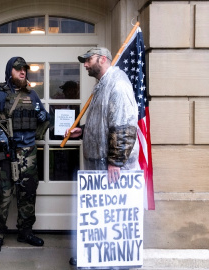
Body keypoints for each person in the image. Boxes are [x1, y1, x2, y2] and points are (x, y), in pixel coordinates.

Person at [66, 48, 140, 266]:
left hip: (112, 168)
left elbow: (125, 125)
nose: (85, 65)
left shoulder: (117, 84)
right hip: (99, 165)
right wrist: (85, 130)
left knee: (114, 217)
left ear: (103, 59)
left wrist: (115, 161)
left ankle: (113, 262)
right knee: (100, 216)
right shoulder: (103, 85)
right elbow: (105, 122)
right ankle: (94, 256)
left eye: (88, 60)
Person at [0, 56, 50, 254]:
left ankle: (25, 231)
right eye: (18, 69)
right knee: (2, 195)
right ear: (10, 70)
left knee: (28, 194)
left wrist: (44, 116)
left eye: (25, 69)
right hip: (6, 153)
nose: (23, 72)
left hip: (29, 153)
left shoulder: (32, 94)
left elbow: (43, 117)